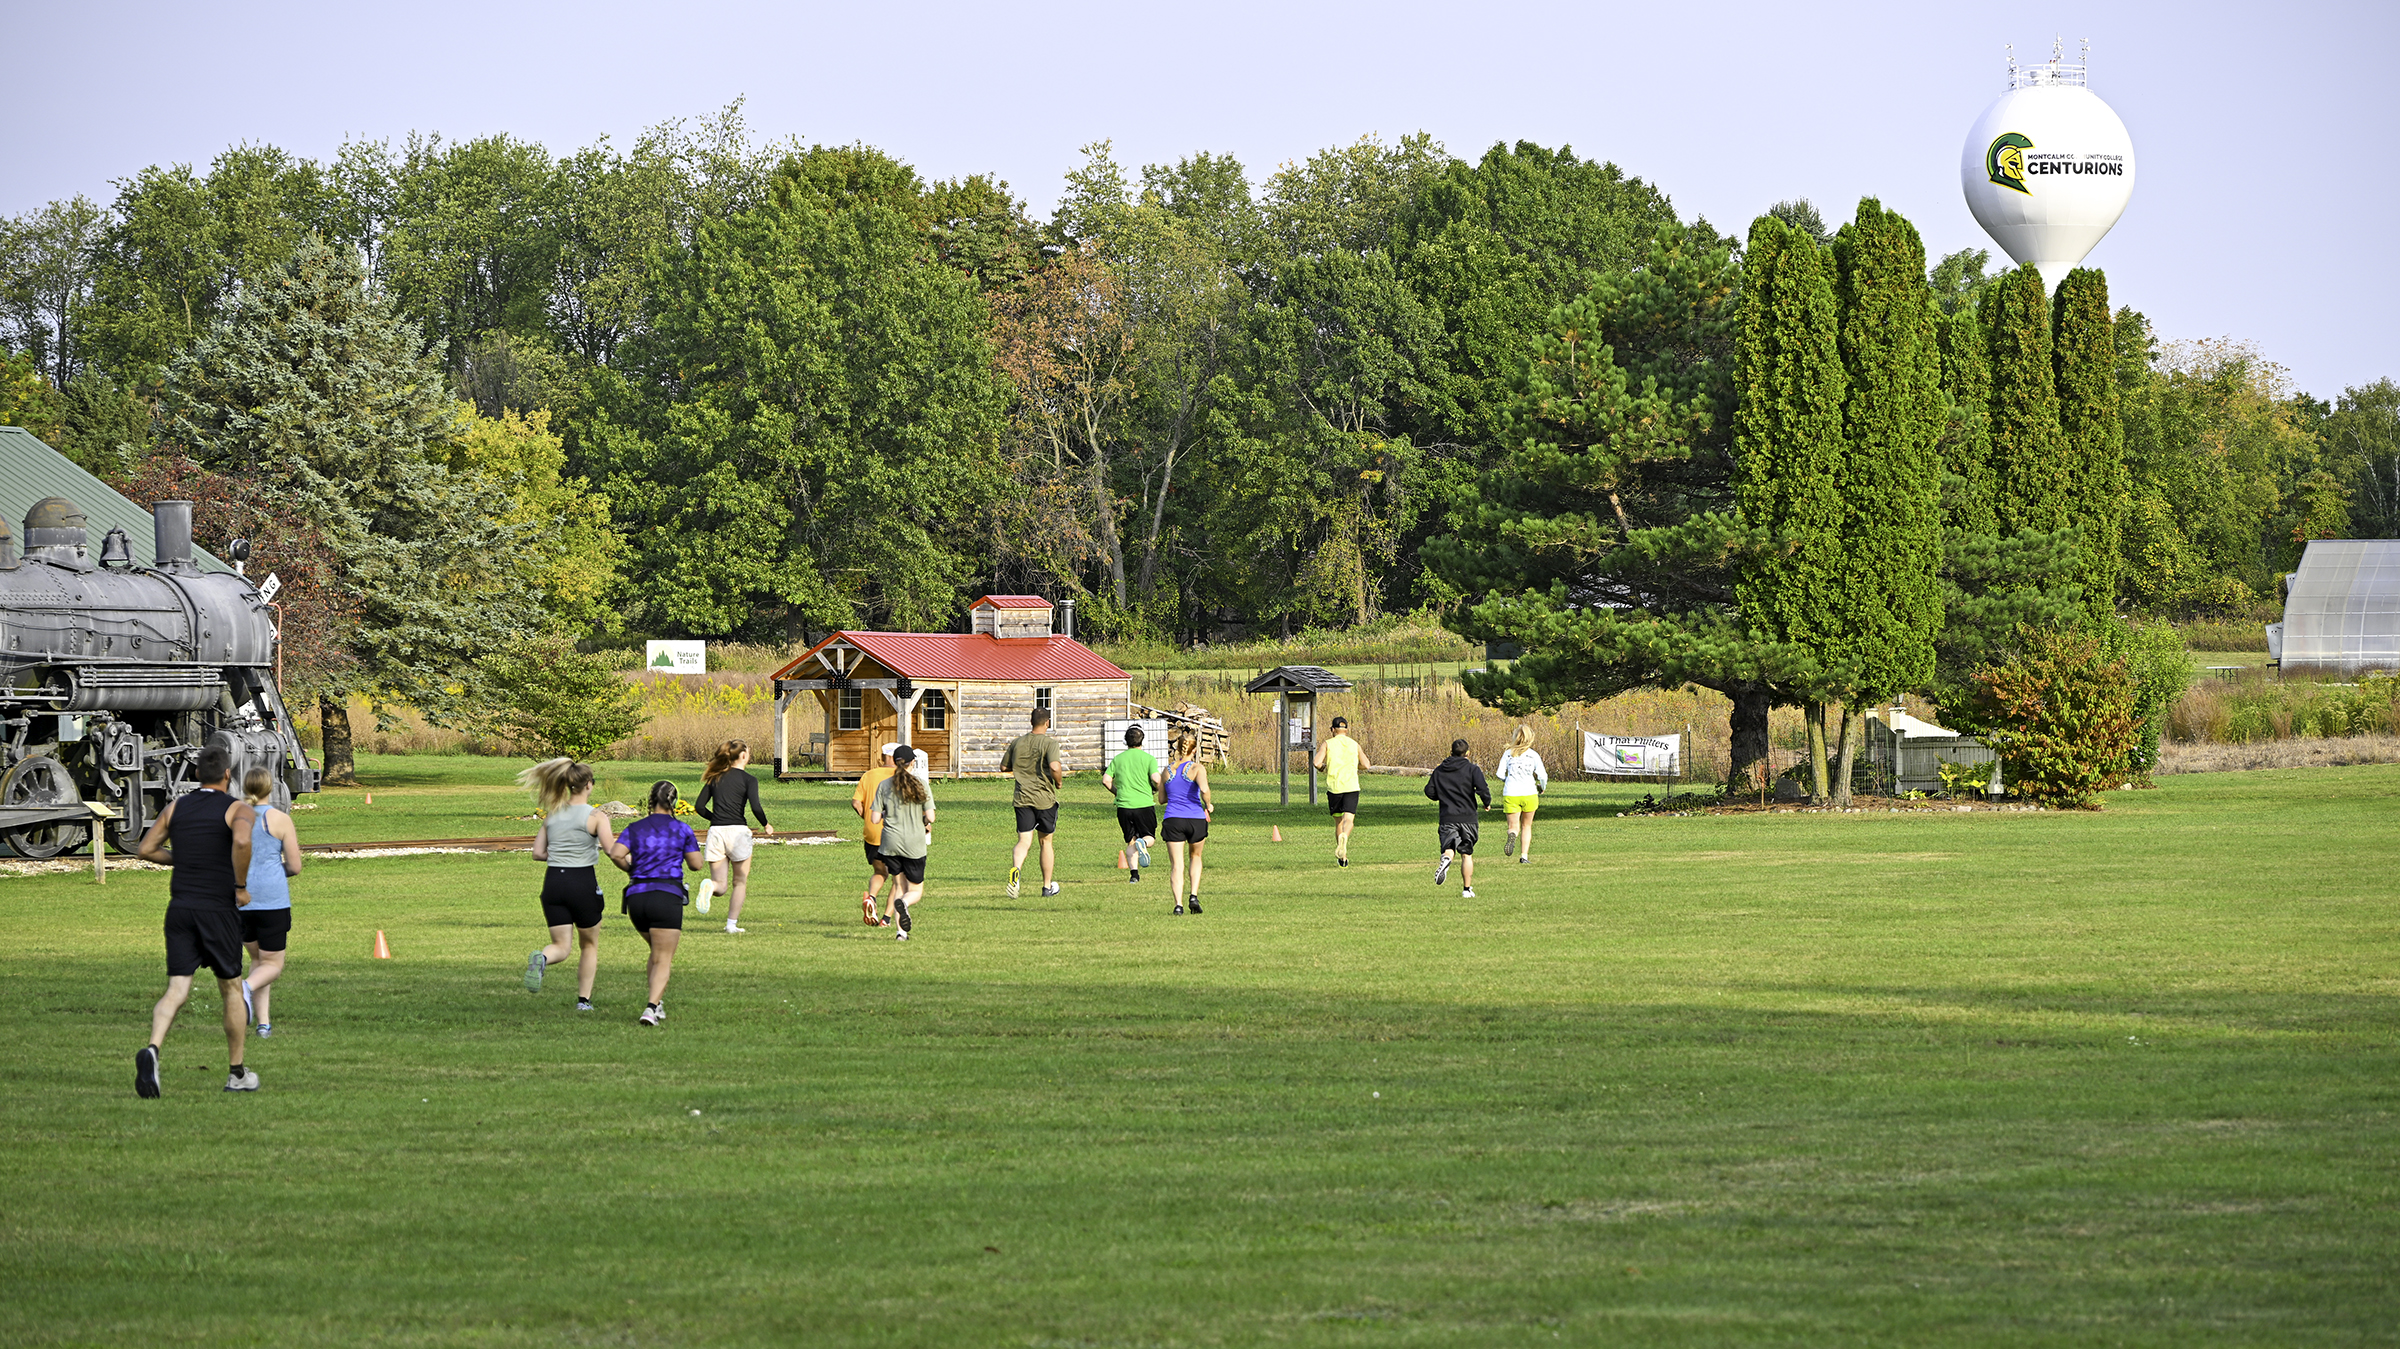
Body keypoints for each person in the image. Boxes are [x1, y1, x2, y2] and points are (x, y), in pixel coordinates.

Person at [133, 746, 259, 1096]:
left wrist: (182, 859)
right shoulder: (238, 808)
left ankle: (153, 1049)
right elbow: (244, 840)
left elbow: (145, 849)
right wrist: (240, 885)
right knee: (231, 988)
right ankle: (236, 1073)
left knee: (176, 989)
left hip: (180, 909)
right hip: (217, 909)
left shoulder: (176, 807)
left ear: (196, 776)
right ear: (228, 775)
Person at [607, 780, 703, 1026]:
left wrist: (631, 870)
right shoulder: (682, 829)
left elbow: (616, 853)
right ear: (673, 802)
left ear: (650, 801)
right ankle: (651, 1008)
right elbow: (696, 864)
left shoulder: (635, 827)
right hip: (666, 895)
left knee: (656, 952)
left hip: (636, 899)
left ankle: (657, 1003)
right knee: (663, 958)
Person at [521, 757, 615, 1010]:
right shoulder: (596, 815)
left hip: (553, 883)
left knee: (561, 947)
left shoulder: (552, 814)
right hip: (581, 881)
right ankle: (583, 1002)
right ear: (589, 785)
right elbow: (612, 850)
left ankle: (541, 958)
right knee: (589, 945)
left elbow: (538, 853)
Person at [237, 765, 302, 1038]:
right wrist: (276, 872)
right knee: (273, 965)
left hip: (242, 901)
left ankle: (263, 1023)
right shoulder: (280, 819)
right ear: (270, 788)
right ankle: (244, 989)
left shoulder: (237, 819)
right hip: (272, 902)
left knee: (258, 960)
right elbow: (295, 866)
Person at [695, 739, 774, 934]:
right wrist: (765, 824)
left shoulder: (715, 778)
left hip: (716, 833)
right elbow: (755, 806)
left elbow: (699, 807)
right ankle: (731, 925)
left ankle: (710, 886)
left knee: (720, 886)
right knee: (739, 882)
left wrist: (716, 818)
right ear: (744, 756)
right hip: (738, 833)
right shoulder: (749, 780)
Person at [870, 746, 936, 940]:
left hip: (890, 844)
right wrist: (923, 820)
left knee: (899, 887)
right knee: (914, 891)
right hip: (914, 844)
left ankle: (901, 933)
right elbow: (930, 816)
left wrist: (885, 814)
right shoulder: (921, 784)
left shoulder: (884, 785)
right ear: (912, 763)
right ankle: (905, 904)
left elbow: (874, 819)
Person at [999, 708, 1064, 898]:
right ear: (1047, 723)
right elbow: (1054, 766)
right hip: (1044, 800)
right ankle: (1046, 887)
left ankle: (1016, 872)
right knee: (1045, 842)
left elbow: (1003, 767)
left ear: (1030, 722)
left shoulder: (1017, 743)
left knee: (1023, 841)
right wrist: (1058, 781)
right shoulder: (1050, 743)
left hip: (1022, 799)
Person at [1425, 737, 1492, 900]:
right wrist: (1486, 803)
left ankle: (1447, 859)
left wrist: (1441, 796)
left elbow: (1429, 791)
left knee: (1449, 847)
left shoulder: (1440, 770)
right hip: (1468, 817)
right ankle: (1466, 889)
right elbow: (1482, 788)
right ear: (1467, 753)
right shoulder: (1472, 769)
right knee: (1466, 853)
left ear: (1451, 752)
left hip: (1448, 816)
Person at [1157, 728, 1213, 915]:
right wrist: (1209, 804)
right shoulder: (1197, 769)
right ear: (1194, 750)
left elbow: (1162, 799)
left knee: (1177, 865)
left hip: (1173, 819)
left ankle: (1178, 905)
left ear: (1178, 748)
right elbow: (1204, 789)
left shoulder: (1166, 771)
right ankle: (1194, 895)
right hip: (1195, 818)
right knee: (1195, 857)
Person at [1102, 724, 1160, 883]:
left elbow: (1106, 780)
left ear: (1125, 741)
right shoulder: (1148, 759)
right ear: (1143, 741)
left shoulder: (1118, 759)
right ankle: (1144, 843)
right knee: (1149, 838)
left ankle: (1134, 875)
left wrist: (1117, 792)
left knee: (1131, 841)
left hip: (1124, 807)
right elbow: (1156, 778)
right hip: (1144, 804)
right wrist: (1159, 789)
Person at [1313, 714, 1371, 866]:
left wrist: (1324, 768)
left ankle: (1343, 857)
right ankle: (1344, 836)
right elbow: (1366, 765)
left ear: (1333, 729)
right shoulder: (1354, 744)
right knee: (1349, 819)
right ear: (1346, 730)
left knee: (1338, 821)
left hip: (1335, 787)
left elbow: (1317, 762)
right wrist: (1354, 766)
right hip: (1351, 786)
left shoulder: (1328, 744)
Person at [852, 744, 899, 926]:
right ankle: (886, 919)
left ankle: (871, 898)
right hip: (894, 833)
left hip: (872, 833)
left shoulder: (869, 775)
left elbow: (856, 802)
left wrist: (867, 818)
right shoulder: (901, 777)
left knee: (880, 871)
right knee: (899, 878)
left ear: (882, 757)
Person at [1495, 725, 1550, 863]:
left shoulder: (1508, 753)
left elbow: (1499, 773)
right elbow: (1542, 776)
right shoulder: (1533, 755)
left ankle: (1512, 835)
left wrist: (1507, 780)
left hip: (1511, 793)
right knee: (1527, 825)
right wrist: (1541, 787)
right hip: (1529, 792)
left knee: (1513, 826)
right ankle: (1524, 856)